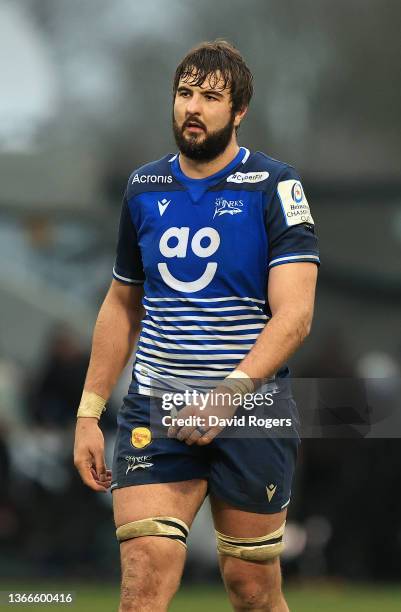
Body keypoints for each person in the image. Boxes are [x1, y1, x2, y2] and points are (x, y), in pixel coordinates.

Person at [74, 40, 319, 612]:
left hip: (253, 409)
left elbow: (296, 315)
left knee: (253, 590)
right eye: (185, 94)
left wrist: (226, 397)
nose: (193, 107)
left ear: (239, 112)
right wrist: (89, 412)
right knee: (142, 583)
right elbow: (120, 303)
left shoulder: (275, 186)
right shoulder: (143, 189)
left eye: (211, 97)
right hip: (156, 408)